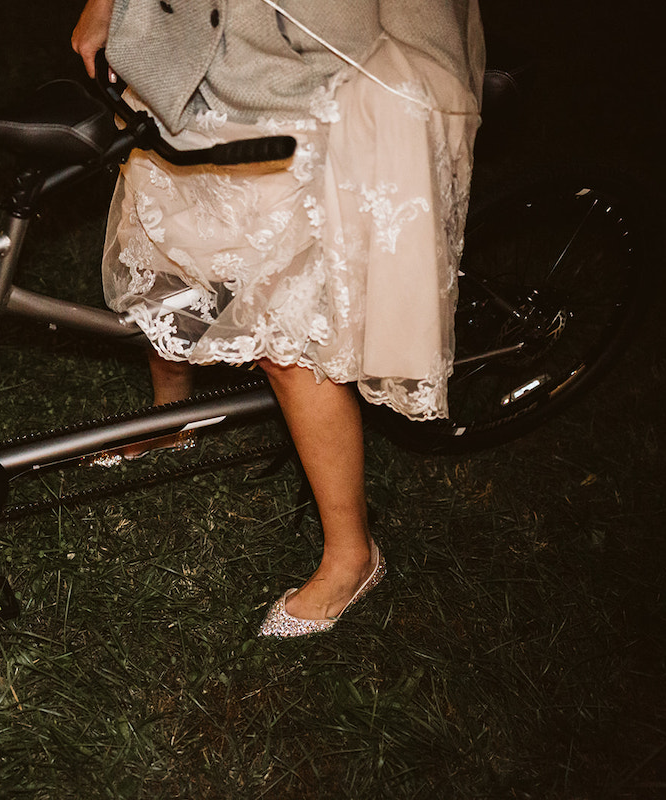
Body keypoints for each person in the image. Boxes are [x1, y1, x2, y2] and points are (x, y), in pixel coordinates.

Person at [73, 0, 484, 636]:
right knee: (172, 250)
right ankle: (170, 421)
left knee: (289, 341)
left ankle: (352, 554)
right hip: (186, 53)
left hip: (313, 72)